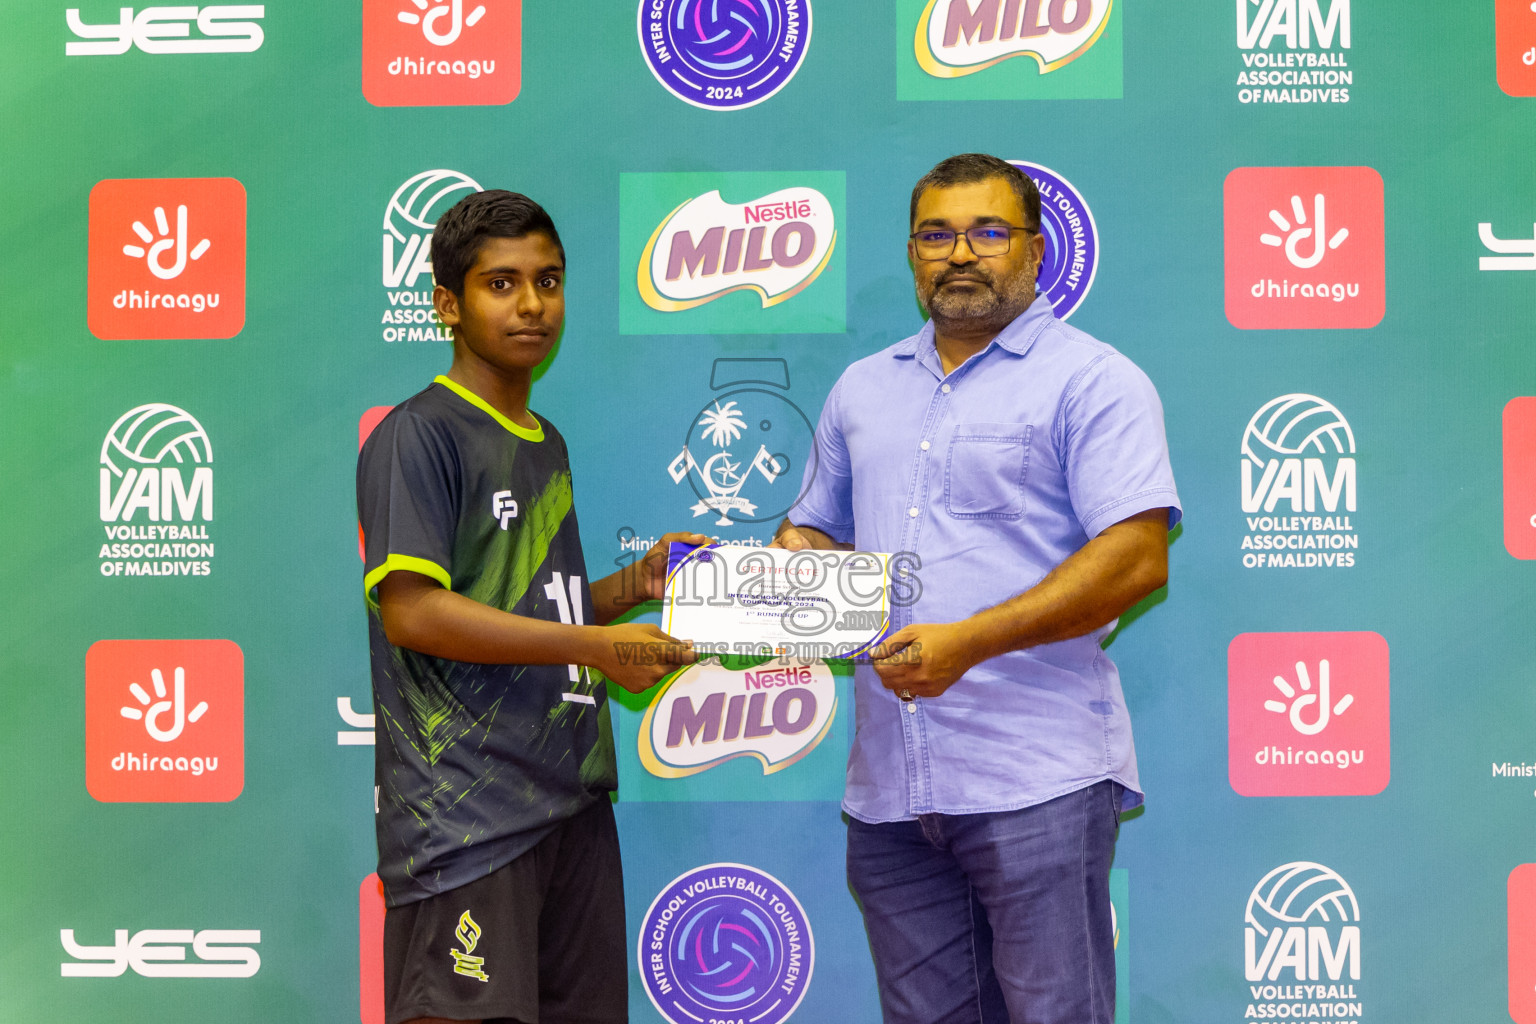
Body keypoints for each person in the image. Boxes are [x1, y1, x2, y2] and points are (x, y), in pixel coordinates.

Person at [775, 153, 1181, 1024]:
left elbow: (1138, 556)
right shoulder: (862, 387)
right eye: (935, 234)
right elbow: (816, 530)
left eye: (987, 232)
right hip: (890, 792)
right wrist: (775, 567)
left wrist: (973, 641)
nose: (960, 253)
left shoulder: (1094, 380)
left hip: (1036, 781)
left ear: (1034, 253)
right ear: (913, 255)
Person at [357, 189, 704, 1024]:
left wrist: (632, 589)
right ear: (448, 302)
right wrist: (597, 646)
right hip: (467, 817)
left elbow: (524, 605)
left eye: (547, 281)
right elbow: (414, 611)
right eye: (500, 283)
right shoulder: (418, 434)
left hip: (570, 802)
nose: (531, 304)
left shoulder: (545, 440)